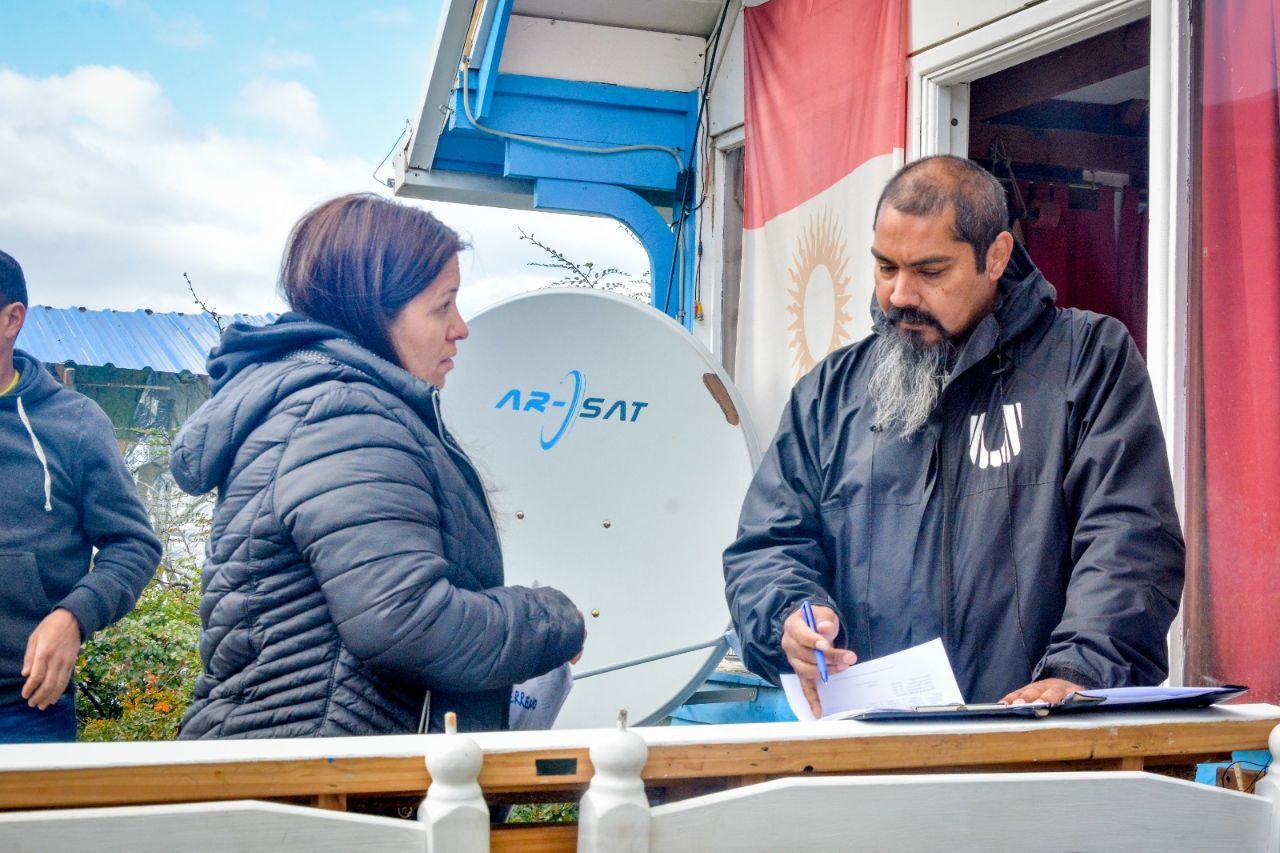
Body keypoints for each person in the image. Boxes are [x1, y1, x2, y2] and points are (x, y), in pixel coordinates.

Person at [723, 156, 1184, 718]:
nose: (899, 295)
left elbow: (1130, 539)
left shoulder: (1087, 360)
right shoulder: (830, 393)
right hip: (871, 755)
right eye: (885, 267)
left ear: (996, 257)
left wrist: (1079, 671)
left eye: (930, 271)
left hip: (1040, 744)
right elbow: (768, 545)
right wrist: (789, 616)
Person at [171, 194, 585, 738]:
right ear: (373, 310)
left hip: (312, 771)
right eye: (442, 306)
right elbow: (407, 622)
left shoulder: (331, 407)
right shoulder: (343, 419)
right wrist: (553, 619)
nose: (460, 328)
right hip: (321, 786)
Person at [0, 250, 161, 743]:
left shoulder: (73, 424)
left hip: (24, 709)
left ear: (11, 319)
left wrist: (73, 617)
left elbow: (133, 546)